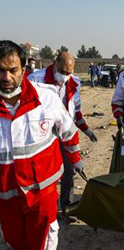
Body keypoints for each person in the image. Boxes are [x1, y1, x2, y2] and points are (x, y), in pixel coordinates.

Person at [0, 40, 83, 250]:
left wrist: (75, 159)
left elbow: (68, 131)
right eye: (0, 71)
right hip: (7, 198)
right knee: (15, 241)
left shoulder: (46, 99)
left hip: (42, 194)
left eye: (13, 70)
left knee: (43, 241)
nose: (6, 78)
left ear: (23, 69)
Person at [28, 52, 97, 222]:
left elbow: (75, 112)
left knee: (69, 170)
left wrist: (86, 129)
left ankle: (66, 207)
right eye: (62, 71)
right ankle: (43, 209)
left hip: (64, 134)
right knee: (44, 174)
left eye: (69, 73)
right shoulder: (35, 80)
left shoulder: (74, 83)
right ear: (54, 63)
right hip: (42, 136)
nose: (65, 76)